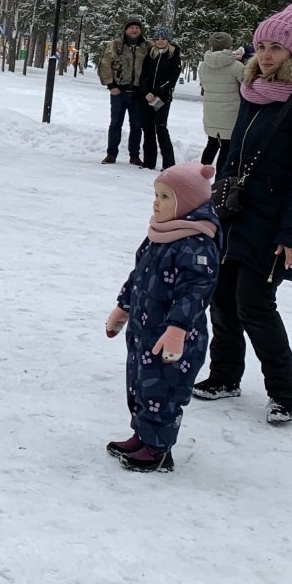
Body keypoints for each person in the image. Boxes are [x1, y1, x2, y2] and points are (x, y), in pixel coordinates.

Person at [193, 0, 292, 425]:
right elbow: (234, 154)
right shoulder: (253, 89)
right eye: (262, 46)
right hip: (236, 213)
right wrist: (212, 202)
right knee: (221, 297)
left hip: (273, 221)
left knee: (254, 303)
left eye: (278, 47)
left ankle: (283, 393)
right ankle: (224, 375)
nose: (268, 54)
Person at [105, 162, 222, 473]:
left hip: (174, 339)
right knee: (140, 386)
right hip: (145, 331)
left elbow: (195, 292)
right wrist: (123, 306)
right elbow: (139, 276)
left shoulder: (196, 245)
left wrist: (177, 329)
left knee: (164, 392)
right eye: (156, 195)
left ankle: (158, 449)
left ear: (187, 204)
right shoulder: (159, 236)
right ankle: (142, 435)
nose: (157, 202)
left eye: (166, 197)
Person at [98, 19, 150, 165]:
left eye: (137, 28)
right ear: (126, 30)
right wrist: (111, 85)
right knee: (115, 124)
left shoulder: (147, 46)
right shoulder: (115, 45)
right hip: (119, 92)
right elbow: (104, 65)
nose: (134, 30)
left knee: (136, 126)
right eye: (131, 28)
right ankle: (111, 154)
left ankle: (134, 156)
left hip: (138, 93)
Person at [138, 26, 182, 170]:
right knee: (148, 128)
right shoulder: (150, 55)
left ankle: (168, 164)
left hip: (162, 99)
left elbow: (171, 80)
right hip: (147, 97)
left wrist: (156, 92)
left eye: (163, 38)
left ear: (168, 39)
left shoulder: (174, 56)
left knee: (161, 128)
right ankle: (148, 162)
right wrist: (146, 92)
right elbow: (143, 76)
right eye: (157, 38)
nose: (160, 41)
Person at [198, 32, 244, 166]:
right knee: (226, 147)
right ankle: (220, 180)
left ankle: (199, 176)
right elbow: (247, 86)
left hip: (211, 113)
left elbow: (204, 85)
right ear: (229, 46)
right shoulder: (237, 67)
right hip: (230, 115)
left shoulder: (203, 66)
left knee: (211, 144)